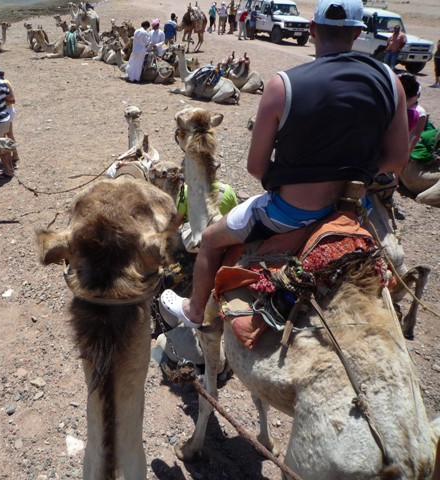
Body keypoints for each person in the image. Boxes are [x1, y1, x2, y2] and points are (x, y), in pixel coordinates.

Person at [160, 0, 409, 328]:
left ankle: (194, 312)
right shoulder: (390, 81)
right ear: (359, 32)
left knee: (209, 238)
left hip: (288, 213)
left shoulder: (283, 85)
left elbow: (256, 167)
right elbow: (396, 160)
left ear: (312, 30)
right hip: (351, 207)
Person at [0, 66, 21, 166]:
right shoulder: (4, 81)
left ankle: (9, 159)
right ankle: (15, 154)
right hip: (8, 110)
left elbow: (12, 99)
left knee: (4, 137)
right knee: (9, 134)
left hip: (6, 110)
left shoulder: (3, 83)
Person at [398, 72, 426, 154]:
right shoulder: (396, 106)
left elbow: (416, 135)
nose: (408, 98)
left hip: (404, 146)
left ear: (418, 95)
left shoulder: (420, 112)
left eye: (411, 96)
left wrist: (408, 153)